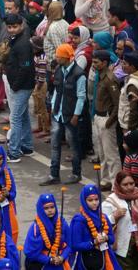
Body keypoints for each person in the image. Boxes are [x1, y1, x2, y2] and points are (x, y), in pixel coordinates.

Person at [41, 43, 86, 185]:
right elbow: (57, 91)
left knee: (73, 145)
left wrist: (76, 115)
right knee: (54, 145)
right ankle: (54, 175)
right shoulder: (59, 70)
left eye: (59, 56)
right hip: (58, 114)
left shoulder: (79, 75)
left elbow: (81, 97)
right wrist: (53, 109)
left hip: (70, 115)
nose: (56, 58)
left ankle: (76, 173)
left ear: (66, 58)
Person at [0, 12, 34, 160]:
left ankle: (13, 152)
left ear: (21, 26)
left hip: (22, 86)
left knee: (15, 118)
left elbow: (25, 67)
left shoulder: (23, 44)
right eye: (9, 27)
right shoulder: (15, 39)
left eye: (14, 27)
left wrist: (15, 85)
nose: (12, 29)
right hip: (20, 84)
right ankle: (26, 146)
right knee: (23, 116)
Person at [70, 184, 121, 270]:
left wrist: (106, 238)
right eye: (90, 200)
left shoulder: (103, 217)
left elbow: (112, 239)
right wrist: (94, 243)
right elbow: (75, 245)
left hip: (106, 258)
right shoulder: (79, 220)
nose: (94, 203)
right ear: (84, 201)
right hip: (86, 261)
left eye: (96, 199)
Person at [91, 50, 121, 189]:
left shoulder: (110, 79)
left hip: (106, 119)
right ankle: (105, 180)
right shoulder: (100, 76)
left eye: (96, 62)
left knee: (111, 154)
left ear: (104, 63)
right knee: (102, 153)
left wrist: (110, 121)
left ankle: (116, 183)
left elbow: (117, 103)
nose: (94, 64)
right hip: (98, 116)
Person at [22, 193, 71, 270]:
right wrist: (49, 260)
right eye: (46, 208)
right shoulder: (35, 228)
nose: (50, 210)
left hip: (60, 263)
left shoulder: (62, 224)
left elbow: (70, 244)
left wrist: (62, 257)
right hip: (42, 265)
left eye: (52, 207)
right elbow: (31, 253)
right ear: (41, 209)